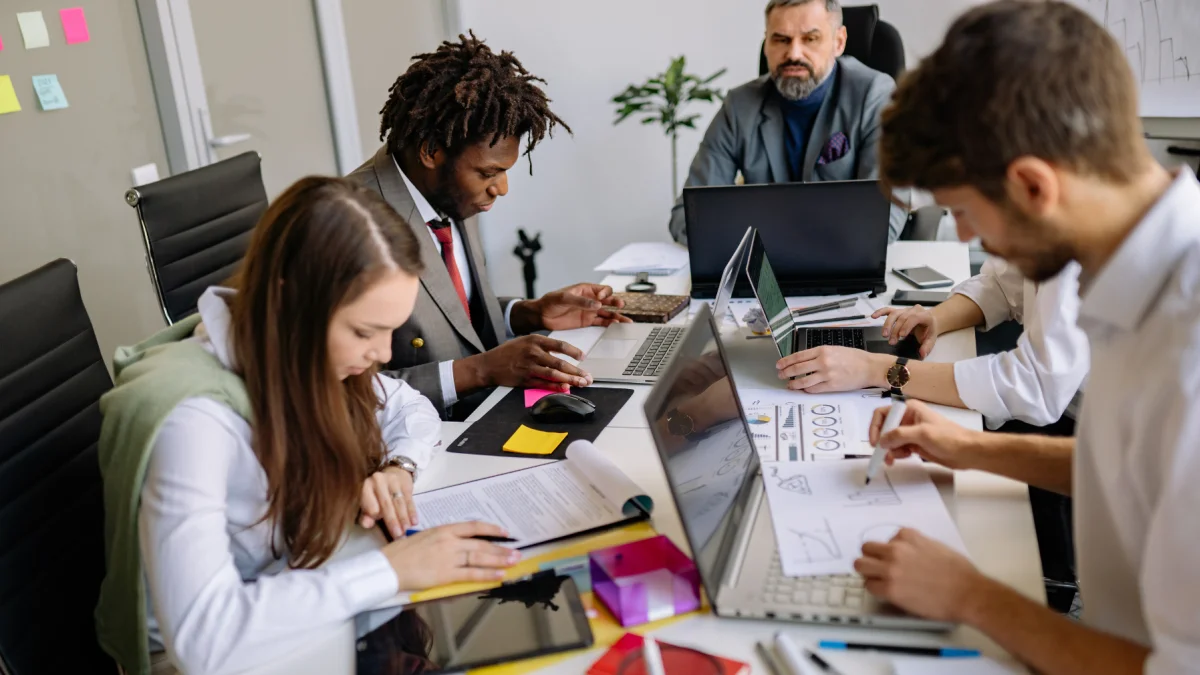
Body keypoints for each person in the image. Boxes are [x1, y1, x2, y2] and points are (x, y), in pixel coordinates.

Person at [854, 2, 1200, 673]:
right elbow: (1137, 472)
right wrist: (968, 447)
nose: (965, 238)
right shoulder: (1138, 275)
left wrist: (972, 595)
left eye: (963, 211)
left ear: (1034, 185)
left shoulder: (1185, 353)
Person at [94, 177, 520, 675]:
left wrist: (398, 468)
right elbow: (205, 641)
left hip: (299, 590)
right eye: (365, 332)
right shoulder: (195, 423)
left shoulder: (295, 353)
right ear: (290, 300)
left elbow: (409, 408)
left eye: (390, 331)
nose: (383, 354)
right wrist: (388, 570)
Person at [349, 32, 630, 419]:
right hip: (417, 442)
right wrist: (477, 371)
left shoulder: (447, 193)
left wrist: (530, 313)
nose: (501, 188)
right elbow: (334, 394)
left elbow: (450, 312)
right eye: (489, 172)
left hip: (492, 409)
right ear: (432, 150)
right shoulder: (346, 224)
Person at [668, 0, 908, 244]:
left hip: (843, 269)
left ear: (838, 42)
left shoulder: (875, 95)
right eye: (781, 39)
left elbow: (884, 215)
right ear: (766, 44)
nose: (793, 53)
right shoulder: (739, 106)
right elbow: (688, 217)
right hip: (762, 272)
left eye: (810, 39)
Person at [775, 257, 1090, 430]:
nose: (966, 232)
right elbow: (1003, 284)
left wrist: (877, 368)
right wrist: (937, 318)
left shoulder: (1076, 259)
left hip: (1081, 424)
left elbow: (1033, 385)